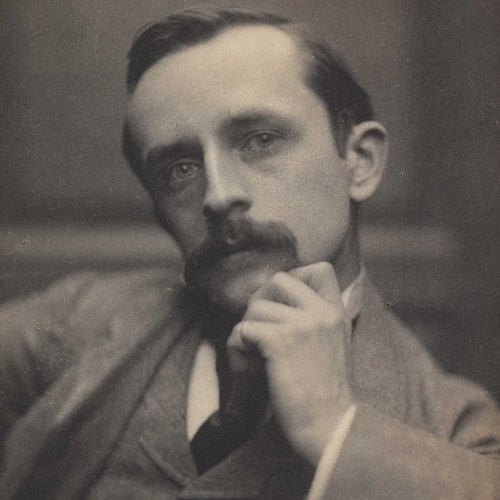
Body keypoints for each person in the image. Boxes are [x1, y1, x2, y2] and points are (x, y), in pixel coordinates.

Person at [0, 8, 498, 499]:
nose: (218, 196)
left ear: (359, 161)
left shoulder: (461, 434)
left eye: (260, 140)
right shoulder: (83, 320)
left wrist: (331, 424)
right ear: (161, 214)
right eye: (179, 169)